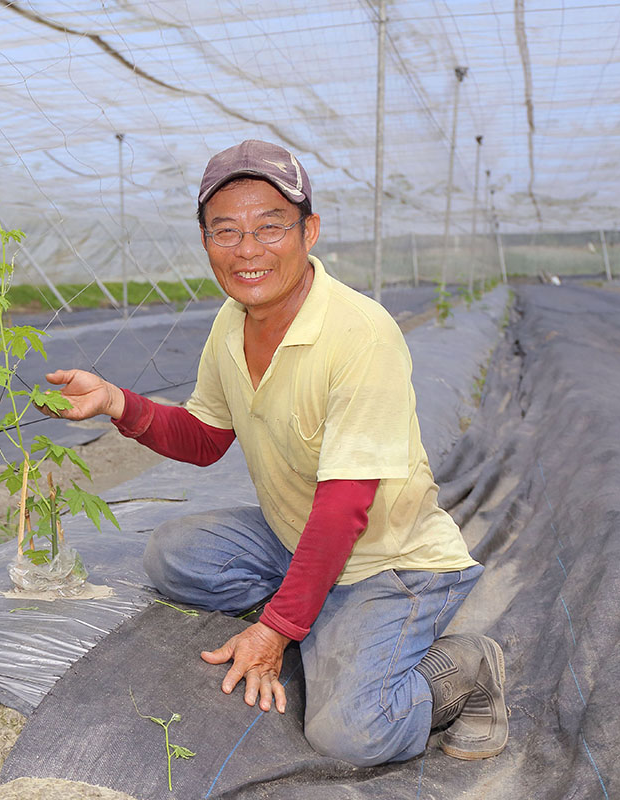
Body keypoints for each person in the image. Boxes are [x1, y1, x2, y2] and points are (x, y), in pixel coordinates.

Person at [40, 139, 508, 767]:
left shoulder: (359, 333)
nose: (248, 251)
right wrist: (119, 404)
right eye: (225, 232)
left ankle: (463, 670)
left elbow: (345, 508)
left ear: (308, 231)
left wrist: (277, 630)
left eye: (270, 228)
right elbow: (206, 439)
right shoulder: (231, 322)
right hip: (298, 537)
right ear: (205, 241)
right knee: (174, 555)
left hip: (389, 560)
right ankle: (320, 611)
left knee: (351, 737)